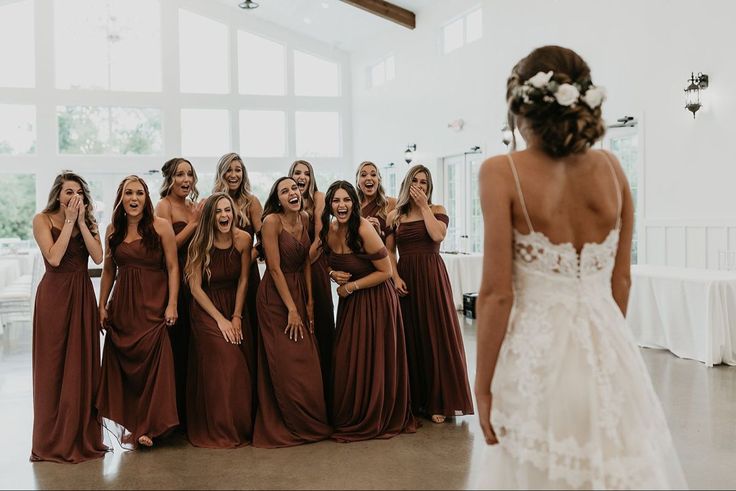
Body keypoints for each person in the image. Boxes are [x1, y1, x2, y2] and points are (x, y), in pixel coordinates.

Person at [474, 45, 687, 489]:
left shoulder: (500, 171)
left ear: (521, 105)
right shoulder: (612, 168)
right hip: (610, 353)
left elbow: (497, 293)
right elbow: (621, 280)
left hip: (536, 360)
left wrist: (483, 385)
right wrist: (605, 346)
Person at [320, 181, 416, 442]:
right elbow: (325, 259)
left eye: (346, 200)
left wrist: (350, 287)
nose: (341, 205)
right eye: (336, 201)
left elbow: (385, 272)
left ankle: (375, 412)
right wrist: (331, 273)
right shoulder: (329, 229)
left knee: (372, 358)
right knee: (348, 358)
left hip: (376, 300)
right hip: (351, 304)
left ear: (354, 202)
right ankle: (352, 411)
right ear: (329, 204)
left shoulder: (363, 229)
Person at [386, 165, 474, 424]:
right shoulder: (395, 215)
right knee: (412, 336)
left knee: (436, 334)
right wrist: (395, 276)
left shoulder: (437, 211)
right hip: (406, 277)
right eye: (415, 181)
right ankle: (416, 399)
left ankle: (439, 399)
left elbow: (437, 235)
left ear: (429, 186)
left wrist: (424, 207)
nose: (420, 185)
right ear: (406, 183)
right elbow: (389, 252)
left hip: (432, 276)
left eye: (424, 182)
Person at [30, 171, 109, 463]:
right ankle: (50, 440)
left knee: (82, 365)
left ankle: (81, 435)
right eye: (68, 192)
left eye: (78, 192)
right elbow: (53, 257)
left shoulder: (89, 222)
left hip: (81, 295)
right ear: (58, 195)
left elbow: (98, 257)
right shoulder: (42, 219)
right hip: (53, 296)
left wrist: (83, 223)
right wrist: (68, 223)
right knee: (52, 367)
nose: (73, 196)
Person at [96, 175, 180, 448]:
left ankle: (150, 427)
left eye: (139, 193)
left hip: (154, 307)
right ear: (121, 198)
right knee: (126, 370)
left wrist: (172, 303)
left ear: (146, 198)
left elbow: (172, 267)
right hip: (123, 309)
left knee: (155, 369)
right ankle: (135, 426)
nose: (134, 199)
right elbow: (109, 271)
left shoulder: (161, 226)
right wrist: (101, 305)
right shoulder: (113, 229)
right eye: (128, 193)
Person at [252, 177, 332, 448]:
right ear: (278, 199)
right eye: (284, 191)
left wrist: (309, 302)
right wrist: (291, 309)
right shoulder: (271, 222)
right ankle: (289, 423)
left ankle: (312, 421)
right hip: (276, 297)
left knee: (308, 359)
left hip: (299, 291)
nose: (291, 193)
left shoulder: (306, 218)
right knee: (286, 361)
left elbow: (306, 262)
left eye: (294, 189)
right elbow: (273, 269)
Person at [185, 192, 255, 448]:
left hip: (234, 305)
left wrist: (236, 317)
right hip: (207, 309)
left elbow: (244, 279)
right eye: (218, 211)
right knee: (228, 360)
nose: (225, 215)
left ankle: (241, 427)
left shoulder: (244, 240)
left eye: (228, 210)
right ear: (210, 216)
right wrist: (221, 321)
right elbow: (195, 288)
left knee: (241, 366)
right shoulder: (199, 243)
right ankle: (220, 428)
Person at [154, 157, 202, 429]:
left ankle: (191, 414)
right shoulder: (164, 206)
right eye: (179, 175)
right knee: (175, 346)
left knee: (193, 347)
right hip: (173, 280)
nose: (186, 180)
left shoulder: (193, 206)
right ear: (169, 179)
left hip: (194, 279)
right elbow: (166, 249)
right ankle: (170, 418)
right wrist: (194, 224)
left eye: (189, 175)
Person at [289, 160, 334, 398]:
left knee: (322, 320)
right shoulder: (286, 199)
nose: (302, 177)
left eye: (306, 173)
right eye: (297, 173)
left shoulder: (319, 197)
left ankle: (327, 387)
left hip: (315, 266)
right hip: (293, 273)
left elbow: (320, 237)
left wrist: (303, 264)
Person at [213, 152, 263, 346]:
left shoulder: (252, 202)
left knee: (248, 328)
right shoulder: (212, 201)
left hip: (247, 273)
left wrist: (246, 259)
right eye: (229, 170)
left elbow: (263, 241)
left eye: (238, 170)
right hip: (220, 277)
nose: (234, 175)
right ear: (221, 173)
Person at [355, 161, 396, 242]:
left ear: (379, 180)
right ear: (358, 182)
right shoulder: (353, 207)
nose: (369, 178)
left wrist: (380, 233)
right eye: (363, 175)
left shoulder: (392, 204)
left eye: (373, 175)